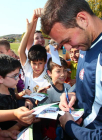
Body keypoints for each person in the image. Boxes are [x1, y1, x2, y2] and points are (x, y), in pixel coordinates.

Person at [41, 0, 102, 139]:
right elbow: (87, 80)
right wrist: (73, 94)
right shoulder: (86, 40)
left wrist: (70, 126)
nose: (68, 49)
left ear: (82, 19)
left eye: (67, 40)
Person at [0, 54, 32, 129]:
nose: (18, 79)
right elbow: (6, 129)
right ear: (0, 79)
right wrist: (26, 121)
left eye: (18, 75)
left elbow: (13, 96)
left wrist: (23, 94)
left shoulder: (8, 89)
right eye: (14, 76)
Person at [18, 19, 51, 94]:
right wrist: (28, 30)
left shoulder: (47, 81)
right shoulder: (28, 68)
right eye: (34, 63)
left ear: (45, 61)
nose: (37, 67)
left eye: (40, 63)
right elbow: (20, 51)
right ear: (30, 62)